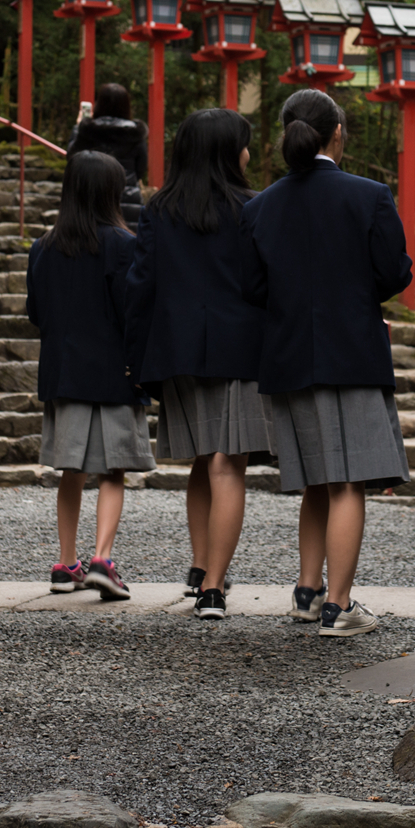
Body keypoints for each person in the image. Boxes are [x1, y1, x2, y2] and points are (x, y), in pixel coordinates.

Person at [243, 89, 413, 638]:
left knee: (316, 481)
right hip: (350, 352)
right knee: (347, 483)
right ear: (336, 132)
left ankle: (308, 591)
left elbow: (252, 286)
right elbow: (394, 273)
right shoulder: (368, 195)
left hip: (288, 356)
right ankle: (339, 606)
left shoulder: (261, 206)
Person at [126, 108, 271, 620]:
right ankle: (213, 587)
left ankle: (200, 566)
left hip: (179, 351)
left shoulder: (159, 210)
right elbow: (265, 284)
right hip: (241, 348)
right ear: (230, 152)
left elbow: (140, 287)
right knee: (229, 463)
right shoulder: (253, 208)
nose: (249, 153)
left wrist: (137, 359)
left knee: (200, 461)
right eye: (245, 144)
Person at [25, 151, 156, 600]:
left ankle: (66, 564)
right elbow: (133, 311)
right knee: (113, 472)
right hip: (114, 374)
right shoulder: (124, 244)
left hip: (64, 375)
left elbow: (36, 313)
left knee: (71, 472)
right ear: (110, 193)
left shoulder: (43, 247)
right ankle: (102, 558)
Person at [67, 83, 149, 228]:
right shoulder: (136, 134)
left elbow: (72, 160)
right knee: (128, 245)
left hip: (91, 197)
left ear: (99, 103)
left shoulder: (87, 129)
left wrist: (78, 127)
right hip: (128, 198)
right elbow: (141, 168)